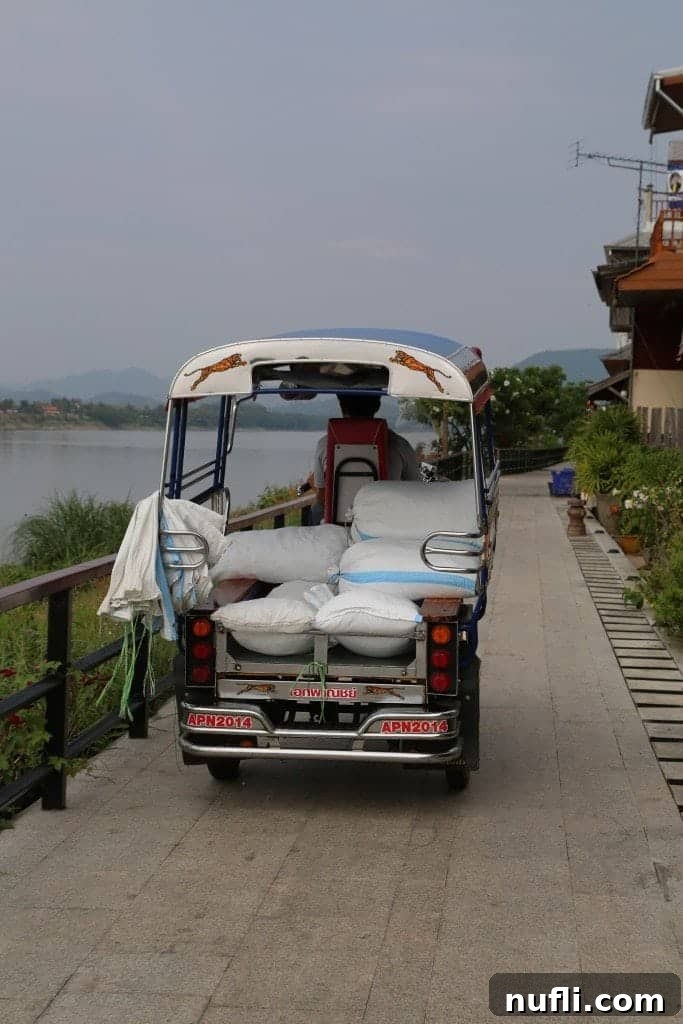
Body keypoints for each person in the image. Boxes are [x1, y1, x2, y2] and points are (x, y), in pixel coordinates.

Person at [311, 393, 420, 510]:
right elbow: (415, 488)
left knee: (316, 508)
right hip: (386, 516)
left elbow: (322, 498)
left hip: (339, 518)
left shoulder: (324, 444)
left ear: (341, 405)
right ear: (377, 406)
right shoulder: (399, 444)